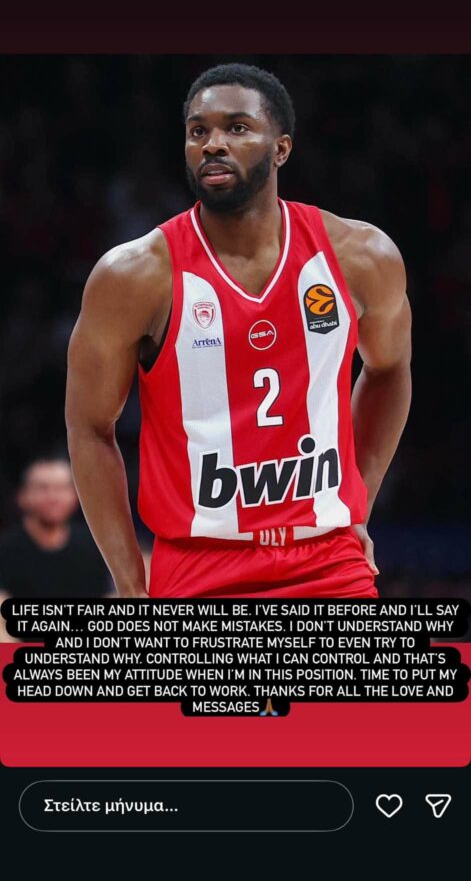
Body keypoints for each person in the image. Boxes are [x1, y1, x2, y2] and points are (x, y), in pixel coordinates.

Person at [65, 63, 412, 601]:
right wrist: (131, 581)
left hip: (327, 559)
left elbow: (389, 370)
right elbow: (89, 428)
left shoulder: (361, 256)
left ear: (281, 149)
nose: (212, 144)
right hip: (198, 565)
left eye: (237, 127)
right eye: (198, 131)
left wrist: (358, 505)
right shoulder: (134, 276)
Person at [0, 458, 112, 638]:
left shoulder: (94, 547)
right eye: (43, 488)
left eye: (61, 488)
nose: (53, 497)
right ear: (23, 496)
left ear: (76, 496)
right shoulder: (6, 551)